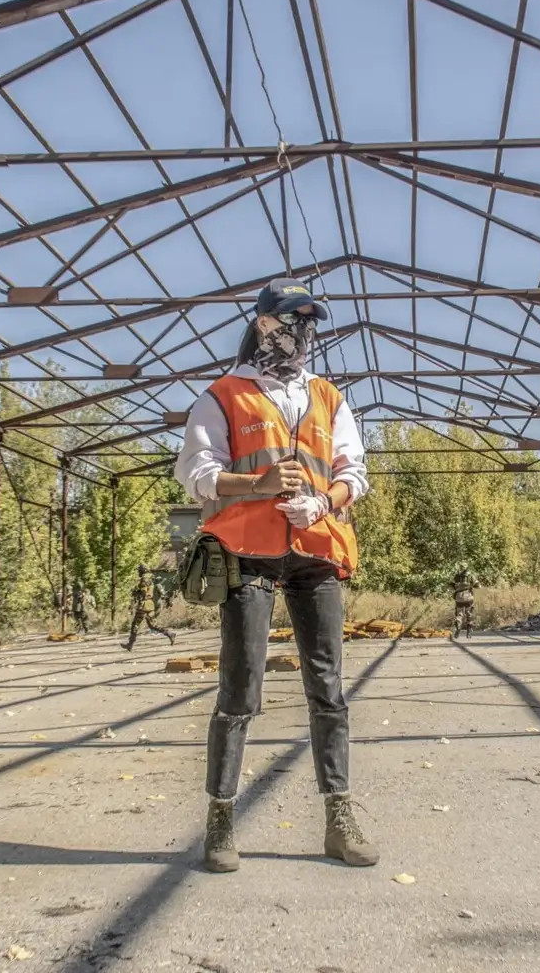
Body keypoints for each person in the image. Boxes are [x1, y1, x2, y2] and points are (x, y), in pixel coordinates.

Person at [175, 277, 376, 874]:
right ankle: (220, 819)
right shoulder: (224, 395)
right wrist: (255, 486)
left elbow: (354, 471)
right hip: (249, 553)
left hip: (315, 549)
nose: (301, 331)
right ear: (264, 323)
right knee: (240, 686)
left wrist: (324, 502)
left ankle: (339, 817)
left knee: (328, 687)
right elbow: (196, 471)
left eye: (310, 321)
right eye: (291, 319)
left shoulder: (328, 397)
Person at [122, 564, 176, 651]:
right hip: (150, 604)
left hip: (143, 605)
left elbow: (143, 592)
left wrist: (137, 593)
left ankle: (130, 644)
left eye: (139, 570)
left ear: (143, 570)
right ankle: (170, 634)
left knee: (135, 624)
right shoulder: (151, 578)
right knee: (152, 625)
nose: (138, 572)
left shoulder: (144, 579)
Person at [453, 565, 479, 639]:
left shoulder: (457, 576)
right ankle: (469, 631)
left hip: (459, 597)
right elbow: (478, 585)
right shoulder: (471, 576)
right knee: (469, 614)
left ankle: (458, 626)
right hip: (468, 598)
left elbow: (452, 585)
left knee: (459, 614)